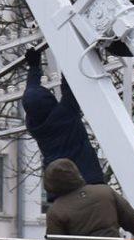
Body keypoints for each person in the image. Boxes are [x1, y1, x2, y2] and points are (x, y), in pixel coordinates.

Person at [22, 48, 105, 186]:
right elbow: (70, 83)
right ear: (50, 100)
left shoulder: (34, 125)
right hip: (87, 177)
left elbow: (31, 95)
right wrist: (66, 48)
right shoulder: (65, 114)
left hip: (58, 185)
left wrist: (34, 68)